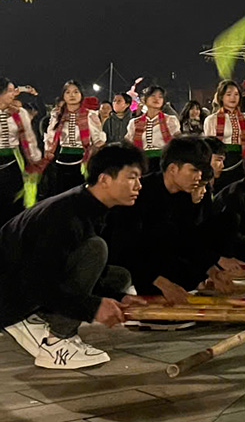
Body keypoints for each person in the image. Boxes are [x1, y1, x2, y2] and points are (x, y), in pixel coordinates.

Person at [0, 143, 146, 369]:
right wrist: (94, 307)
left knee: (119, 277)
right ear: (105, 179)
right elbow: (37, 281)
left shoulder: (89, 205)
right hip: (9, 291)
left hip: (28, 281)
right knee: (95, 249)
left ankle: (43, 319)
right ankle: (57, 342)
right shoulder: (65, 215)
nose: (139, 185)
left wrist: (116, 298)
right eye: (132, 177)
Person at [101, 137, 230, 312]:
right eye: (193, 170)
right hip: (121, 262)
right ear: (173, 168)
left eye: (201, 171)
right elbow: (125, 249)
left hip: (157, 257)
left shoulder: (186, 194)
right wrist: (163, 283)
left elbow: (189, 239)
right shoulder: (138, 194)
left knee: (192, 269)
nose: (198, 177)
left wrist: (212, 270)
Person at [40, 80, 107, 200]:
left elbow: (98, 140)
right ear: (63, 96)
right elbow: (50, 137)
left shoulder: (90, 115)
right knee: (60, 197)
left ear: (81, 95)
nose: (72, 95)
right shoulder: (57, 115)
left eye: (76, 92)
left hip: (82, 162)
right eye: (68, 92)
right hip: (60, 161)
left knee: (80, 197)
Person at [203, 80, 245, 193]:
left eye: (236, 94)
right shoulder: (212, 119)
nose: (233, 98)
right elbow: (209, 146)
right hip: (222, 161)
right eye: (228, 94)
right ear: (221, 97)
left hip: (241, 161)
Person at [0, 78, 43, 226]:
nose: (14, 94)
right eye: (10, 91)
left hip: (12, 164)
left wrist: (35, 161)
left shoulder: (19, 113)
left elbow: (29, 138)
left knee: (12, 206)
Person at [125, 86, 181, 160]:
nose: (157, 99)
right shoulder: (134, 123)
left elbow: (177, 143)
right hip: (142, 161)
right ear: (144, 99)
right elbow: (128, 144)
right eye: (153, 95)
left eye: (160, 97)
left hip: (164, 160)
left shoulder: (170, 120)